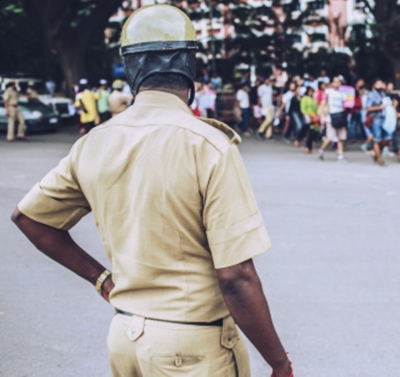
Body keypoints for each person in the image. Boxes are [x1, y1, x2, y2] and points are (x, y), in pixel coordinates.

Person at [11, 5, 292, 377]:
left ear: (130, 68)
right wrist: (279, 362)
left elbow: (29, 217)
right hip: (193, 349)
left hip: (125, 338)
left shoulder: (94, 143)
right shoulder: (208, 145)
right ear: (189, 64)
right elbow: (236, 276)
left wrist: (102, 279)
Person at [318, 77, 347, 161]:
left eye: (339, 82)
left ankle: (340, 155)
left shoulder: (342, 93)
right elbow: (322, 103)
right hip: (331, 117)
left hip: (340, 116)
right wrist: (322, 116)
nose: (337, 83)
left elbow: (345, 104)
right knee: (330, 137)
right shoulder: (328, 91)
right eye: (335, 82)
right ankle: (322, 149)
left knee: (341, 137)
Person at [366, 78, 391, 166]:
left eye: (382, 83)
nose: (381, 85)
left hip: (384, 120)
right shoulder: (371, 94)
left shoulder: (382, 93)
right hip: (376, 119)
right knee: (377, 140)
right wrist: (379, 107)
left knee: (387, 139)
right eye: (379, 83)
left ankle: (376, 154)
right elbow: (368, 108)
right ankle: (380, 159)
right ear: (374, 85)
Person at [300, 87, 319, 153]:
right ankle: (307, 147)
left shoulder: (314, 99)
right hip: (307, 116)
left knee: (313, 133)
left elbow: (316, 108)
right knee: (310, 132)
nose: (311, 93)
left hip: (314, 117)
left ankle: (309, 147)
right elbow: (303, 109)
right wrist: (307, 117)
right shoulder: (304, 98)